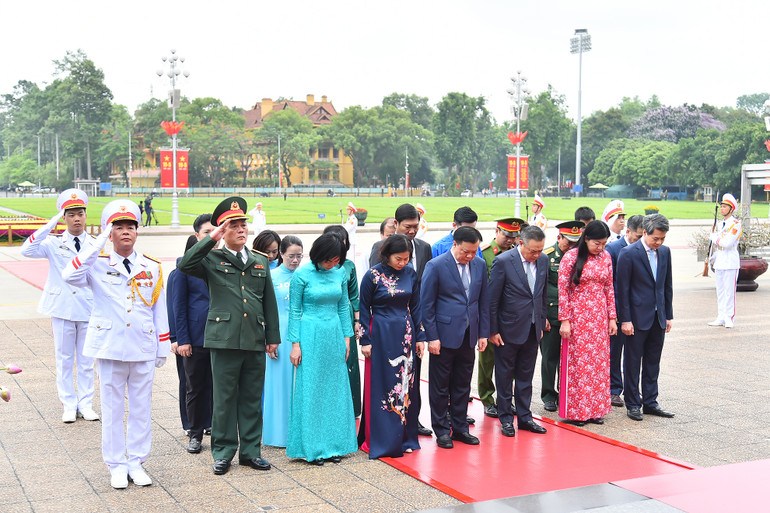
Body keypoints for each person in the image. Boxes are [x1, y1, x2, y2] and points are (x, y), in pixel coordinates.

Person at [62, 199, 170, 489]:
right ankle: (116, 465)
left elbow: (159, 309)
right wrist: (96, 244)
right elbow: (69, 275)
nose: (125, 232)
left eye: (130, 227)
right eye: (118, 227)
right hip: (110, 346)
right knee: (111, 410)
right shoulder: (96, 264)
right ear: (110, 233)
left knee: (140, 408)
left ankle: (136, 461)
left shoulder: (153, 267)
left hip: (142, 346)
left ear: (137, 232)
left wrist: (162, 346)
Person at [177, 197, 281, 475]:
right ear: (223, 230)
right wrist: (212, 237)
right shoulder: (211, 258)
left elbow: (268, 301)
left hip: (254, 337)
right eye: (233, 225)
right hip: (223, 338)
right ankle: (223, 452)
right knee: (223, 399)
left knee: (251, 397)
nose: (241, 229)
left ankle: (250, 451)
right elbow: (185, 264)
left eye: (243, 224)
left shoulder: (259, 260)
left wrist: (273, 336)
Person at [20, 188, 99, 424]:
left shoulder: (96, 244)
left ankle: (86, 404)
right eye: (71, 214)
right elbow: (26, 250)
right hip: (62, 308)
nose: (76, 218)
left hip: (87, 308)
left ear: (86, 216)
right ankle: (68, 403)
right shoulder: (54, 243)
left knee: (86, 360)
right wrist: (49, 224)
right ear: (63, 218)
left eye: (80, 213)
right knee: (64, 358)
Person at [287, 234, 357, 464]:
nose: (333, 264)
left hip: (334, 332)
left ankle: (336, 445)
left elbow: (342, 306)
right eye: (329, 260)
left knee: (335, 390)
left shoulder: (340, 273)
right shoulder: (302, 275)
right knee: (312, 389)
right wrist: (295, 344)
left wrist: (347, 338)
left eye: (337, 259)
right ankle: (313, 447)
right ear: (319, 255)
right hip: (310, 333)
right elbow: (295, 311)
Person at [421, 227, 489, 449]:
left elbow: (483, 301)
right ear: (454, 245)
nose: (469, 256)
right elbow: (427, 305)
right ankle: (441, 429)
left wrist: (483, 333)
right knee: (440, 386)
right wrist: (432, 336)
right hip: (443, 335)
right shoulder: (436, 265)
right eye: (465, 252)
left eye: (473, 252)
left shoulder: (479, 264)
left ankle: (460, 427)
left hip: (469, 334)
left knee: (462, 384)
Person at [369, 203, 433, 436]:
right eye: (408, 226)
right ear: (396, 224)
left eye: (416, 226)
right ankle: (388, 423)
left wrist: (422, 328)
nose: (413, 231)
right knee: (389, 376)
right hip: (387, 324)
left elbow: (423, 289)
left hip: (413, 322)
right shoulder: (380, 247)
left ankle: (412, 420)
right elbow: (374, 291)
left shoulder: (424, 248)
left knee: (413, 374)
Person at [358, 234, 424, 458]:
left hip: (406, 334)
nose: (402, 263)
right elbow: (364, 308)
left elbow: (416, 306)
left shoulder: (410, 273)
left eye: (406, 258)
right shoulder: (373, 275)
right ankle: (381, 438)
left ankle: (404, 436)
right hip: (381, 333)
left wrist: (421, 337)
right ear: (387, 255)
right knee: (382, 385)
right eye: (398, 258)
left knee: (406, 385)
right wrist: (364, 339)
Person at [488, 225, 549, 437]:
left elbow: (541, 295)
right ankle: (505, 418)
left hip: (532, 329)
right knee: (504, 377)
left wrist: (541, 322)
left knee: (526, 376)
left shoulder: (543, 261)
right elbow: (492, 300)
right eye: (533, 250)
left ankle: (525, 417)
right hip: (507, 329)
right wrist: (492, 330)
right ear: (520, 243)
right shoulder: (503, 262)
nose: (537, 254)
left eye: (540, 250)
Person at [557, 221, 617, 426]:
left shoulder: (606, 257)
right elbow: (563, 290)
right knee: (579, 365)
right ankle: (576, 411)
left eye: (604, 244)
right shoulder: (570, 257)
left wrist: (612, 318)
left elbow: (609, 288)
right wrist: (564, 320)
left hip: (599, 317)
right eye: (597, 243)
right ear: (586, 239)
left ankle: (595, 409)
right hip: (577, 318)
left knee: (598, 365)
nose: (600, 248)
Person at [616, 214, 674, 422]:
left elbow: (667, 286)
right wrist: (625, 319)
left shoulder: (665, 253)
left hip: (658, 317)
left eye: (662, 239)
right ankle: (633, 403)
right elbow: (622, 290)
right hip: (636, 319)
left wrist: (668, 315)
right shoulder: (629, 253)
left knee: (653, 362)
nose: (658, 242)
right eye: (655, 238)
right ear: (645, 232)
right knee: (632, 362)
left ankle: (650, 401)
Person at [174, 215, 215, 454]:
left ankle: (218, 431)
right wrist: (183, 340)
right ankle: (195, 433)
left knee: (221, 388)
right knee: (195, 388)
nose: (211, 237)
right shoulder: (185, 265)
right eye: (206, 232)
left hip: (222, 336)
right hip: (196, 337)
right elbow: (179, 306)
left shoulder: (226, 262)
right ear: (197, 236)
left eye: (215, 232)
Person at [478, 217, 524, 418]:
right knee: (487, 361)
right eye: (506, 235)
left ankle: (505, 399)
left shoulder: (518, 253)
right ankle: (487, 398)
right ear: (497, 231)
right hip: (490, 314)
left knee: (509, 360)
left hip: (512, 316)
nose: (510, 240)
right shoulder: (485, 252)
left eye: (514, 236)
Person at [262, 235, 303, 447]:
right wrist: (269, 337)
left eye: (299, 256)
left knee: (300, 384)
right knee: (279, 384)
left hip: (302, 333)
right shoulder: (271, 276)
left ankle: (300, 431)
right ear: (281, 254)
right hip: (278, 333)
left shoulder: (306, 276)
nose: (295, 261)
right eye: (291, 256)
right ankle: (278, 433)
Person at [539, 221, 583, 413]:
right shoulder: (547, 257)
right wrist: (542, 316)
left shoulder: (582, 257)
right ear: (559, 238)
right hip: (552, 314)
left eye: (576, 241)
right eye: (569, 242)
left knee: (571, 358)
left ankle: (567, 392)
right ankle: (549, 395)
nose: (572, 246)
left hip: (576, 317)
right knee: (550, 358)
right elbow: (539, 289)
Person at [605, 214, 644, 408]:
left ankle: (633, 391)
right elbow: (610, 284)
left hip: (639, 310)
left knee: (634, 353)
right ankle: (613, 389)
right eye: (638, 237)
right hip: (618, 309)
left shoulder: (646, 248)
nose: (641, 241)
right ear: (628, 232)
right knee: (614, 350)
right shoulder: (613, 249)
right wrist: (613, 312)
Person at [324, 224, 362, 418]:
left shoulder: (349, 266)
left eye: (343, 240)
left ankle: (352, 407)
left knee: (350, 360)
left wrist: (357, 321)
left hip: (345, 315)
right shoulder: (319, 266)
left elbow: (355, 295)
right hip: (325, 313)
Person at [166, 239, 191, 438]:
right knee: (187, 382)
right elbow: (174, 308)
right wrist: (174, 337)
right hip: (184, 336)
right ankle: (189, 422)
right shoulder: (178, 274)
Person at [708, 193, 742, 328]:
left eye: (725, 207)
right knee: (720, 290)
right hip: (720, 258)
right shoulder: (719, 223)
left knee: (729, 291)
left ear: (731, 209)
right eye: (721, 206)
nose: (722, 209)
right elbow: (719, 243)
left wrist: (715, 238)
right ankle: (721, 316)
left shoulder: (735, 224)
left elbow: (727, 243)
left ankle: (729, 317)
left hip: (730, 259)